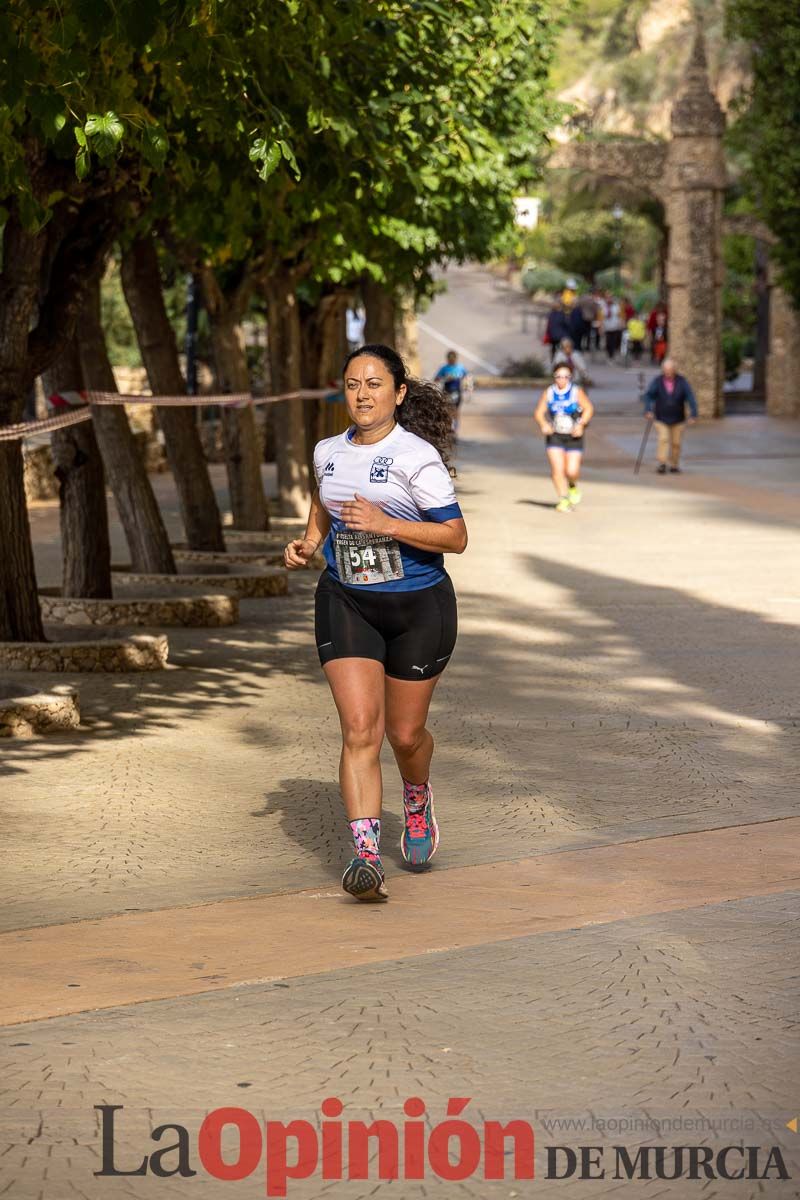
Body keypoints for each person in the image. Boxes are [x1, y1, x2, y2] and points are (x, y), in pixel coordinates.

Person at [284, 344, 467, 903]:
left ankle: (416, 794)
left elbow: (456, 537)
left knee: (403, 735)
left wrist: (388, 523)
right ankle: (365, 857)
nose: (362, 395)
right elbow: (326, 500)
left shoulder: (418, 458)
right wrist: (311, 540)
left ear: (399, 393)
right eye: (353, 384)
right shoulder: (326, 451)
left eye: (375, 384)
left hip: (418, 608)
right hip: (348, 600)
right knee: (360, 730)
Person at [534, 362, 594, 512]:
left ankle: (572, 486)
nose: (562, 380)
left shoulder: (575, 392)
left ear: (570, 378)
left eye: (566, 376)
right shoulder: (549, 392)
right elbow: (539, 412)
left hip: (573, 436)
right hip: (555, 435)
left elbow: (588, 408)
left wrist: (581, 424)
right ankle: (563, 498)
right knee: (557, 469)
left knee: (571, 471)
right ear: (554, 377)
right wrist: (544, 424)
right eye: (558, 376)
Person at [643, 357, 697, 473]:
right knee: (664, 439)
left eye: (670, 369)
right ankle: (662, 463)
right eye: (665, 370)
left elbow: (690, 397)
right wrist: (648, 410)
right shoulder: (658, 381)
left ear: (674, 370)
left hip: (678, 418)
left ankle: (674, 465)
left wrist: (693, 414)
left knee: (676, 443)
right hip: (661, 417)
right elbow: (648, 395)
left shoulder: (682, 382)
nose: (667, 372)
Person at [434, 350, 470, 431]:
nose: (451, 360)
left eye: (453, 359)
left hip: (457, 391)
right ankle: (449, 427)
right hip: (447, 391)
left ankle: (455, 429)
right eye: (450, 359)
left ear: (456, 359)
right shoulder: (444, 368)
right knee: (447, 410)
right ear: (447, 359)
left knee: (456, 410)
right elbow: (436, 379)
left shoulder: (460, 367)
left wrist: (467, 387)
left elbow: (467, 377)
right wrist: (445, 378)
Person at [603, 295, 625, 361]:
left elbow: (621, 316)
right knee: (608, 342)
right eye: (608, 299)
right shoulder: (603, 307)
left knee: (613, 341)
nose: (609, 300)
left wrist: (621, 323)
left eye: (610, 299)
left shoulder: (616, 307)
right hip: (607, 327)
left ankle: (612, 355)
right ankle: (609, 353)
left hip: (615, 327)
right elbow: (601, 317)